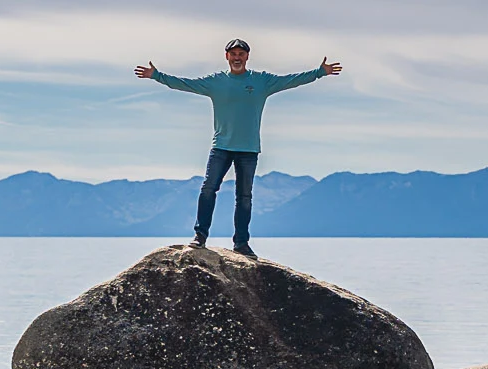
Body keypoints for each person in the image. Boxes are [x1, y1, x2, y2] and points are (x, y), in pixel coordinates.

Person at [136, 39, 342, 255]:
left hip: (249, 149)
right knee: (208, 189)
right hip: (221, 147)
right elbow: (185, 84)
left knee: (244, 197)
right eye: (233, 54)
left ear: (247, 57)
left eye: (241, 54)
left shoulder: (262, 81)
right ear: (226, 57)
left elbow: (291, 80)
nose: (237, 57)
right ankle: (200, 236)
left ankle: (241, 243)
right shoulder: (215, 82)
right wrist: (157, 76)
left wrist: (319, 72)